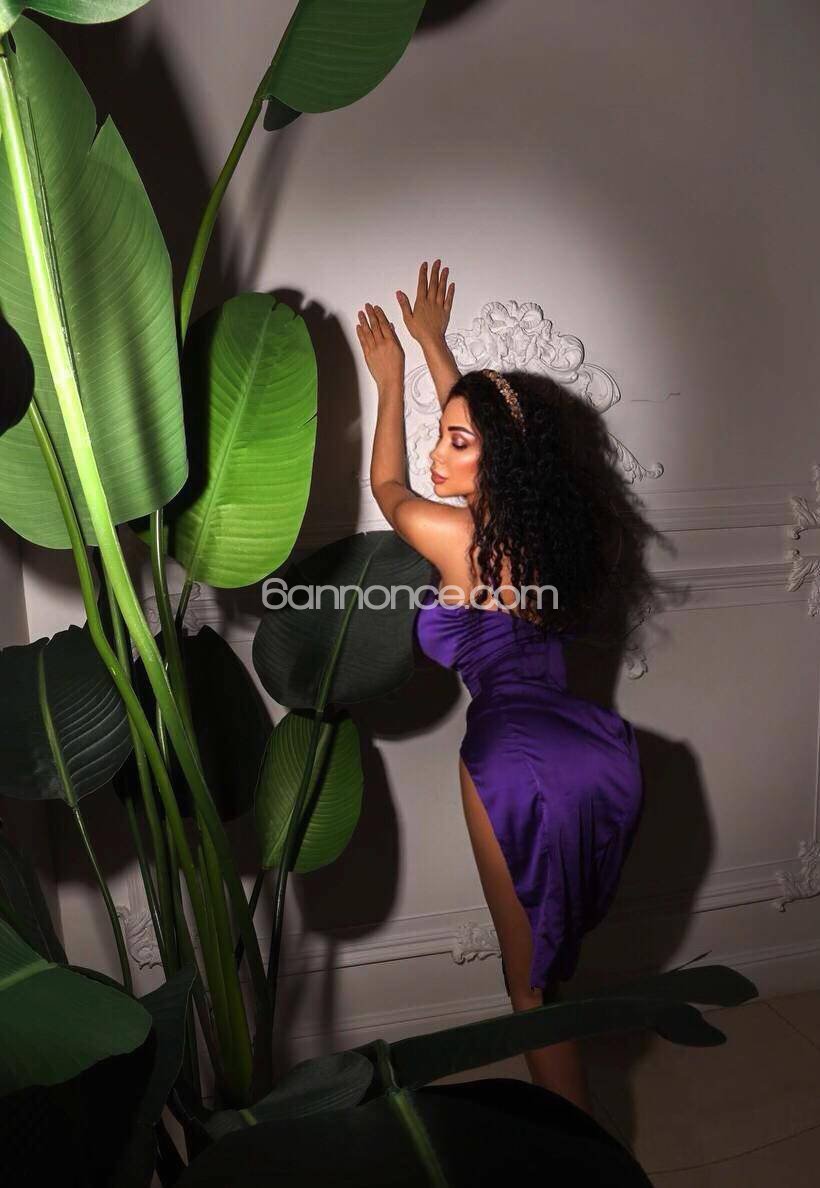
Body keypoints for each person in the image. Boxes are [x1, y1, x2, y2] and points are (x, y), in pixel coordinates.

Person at [356, 260, 656, 1118]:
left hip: (513, 756)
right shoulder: (556, 539)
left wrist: (392, 380)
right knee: (549, 972)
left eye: (456, 441)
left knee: (529, 992)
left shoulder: (453, 536)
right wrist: (436, 346)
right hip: (592, 748)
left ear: (497, 455)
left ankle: (579, 1159)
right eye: (441, 435)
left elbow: (387, 489)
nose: (437, 451)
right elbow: (488, 437)